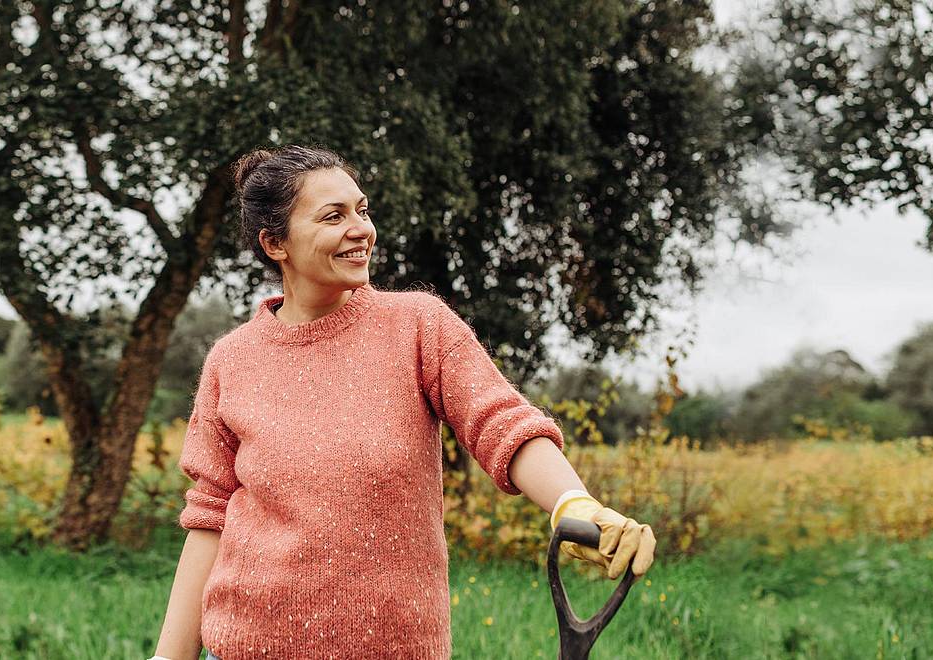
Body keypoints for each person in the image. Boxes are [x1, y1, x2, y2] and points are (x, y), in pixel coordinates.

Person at [150, 145, 656, 660]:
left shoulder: (417, 326)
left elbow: (502, 423)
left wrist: (575, 504)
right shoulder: (232, 361)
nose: (361, 229)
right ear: (275, 243)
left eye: (362, 210)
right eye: (334, 216)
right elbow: (211, 518)